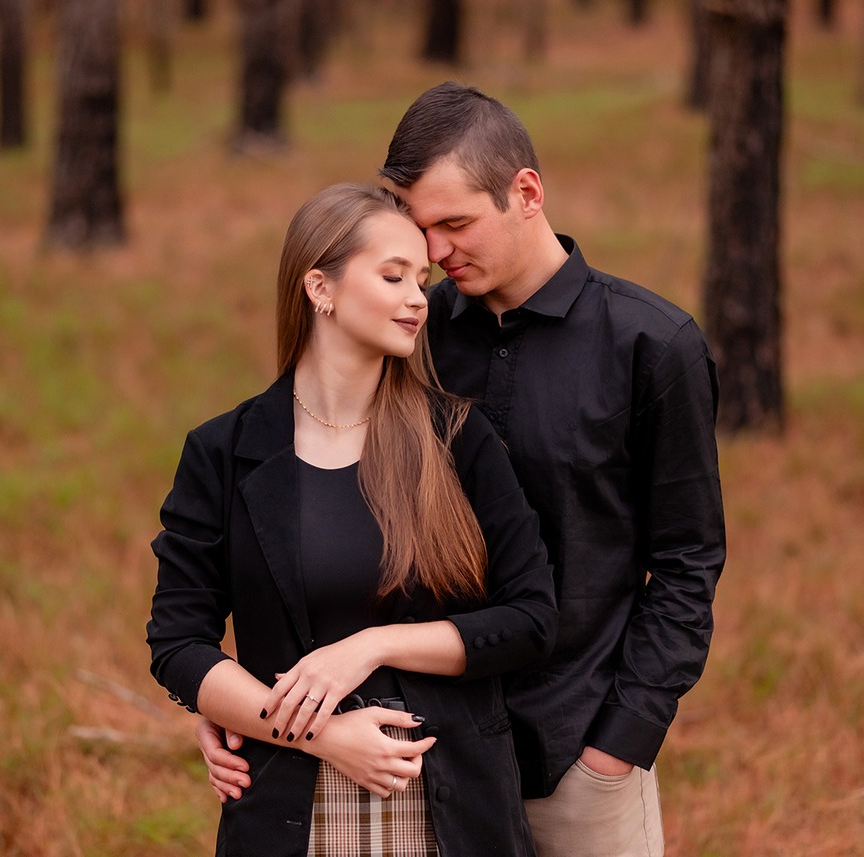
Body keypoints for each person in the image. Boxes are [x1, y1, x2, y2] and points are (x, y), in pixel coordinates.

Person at [198, 84, 726, 857]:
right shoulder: (411, 331)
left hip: (575, 749)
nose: (438, 254)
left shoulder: (651, 345)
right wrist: (240, 704)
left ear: (527, 193)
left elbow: (687, 563)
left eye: (456, 224)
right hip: (425, 759)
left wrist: (620, 742)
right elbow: (308, 507)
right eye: (422, 231)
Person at [147, 182, 559, 856]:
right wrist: (320, 734)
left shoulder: (459, 438)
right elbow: (179, 644)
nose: (417, 298)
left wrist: (371, 646)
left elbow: (532, 619)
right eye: (393, 276)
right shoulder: (222, 452)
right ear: (320, 288)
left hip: (452, 808)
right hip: (291, 809)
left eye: (422, 280)